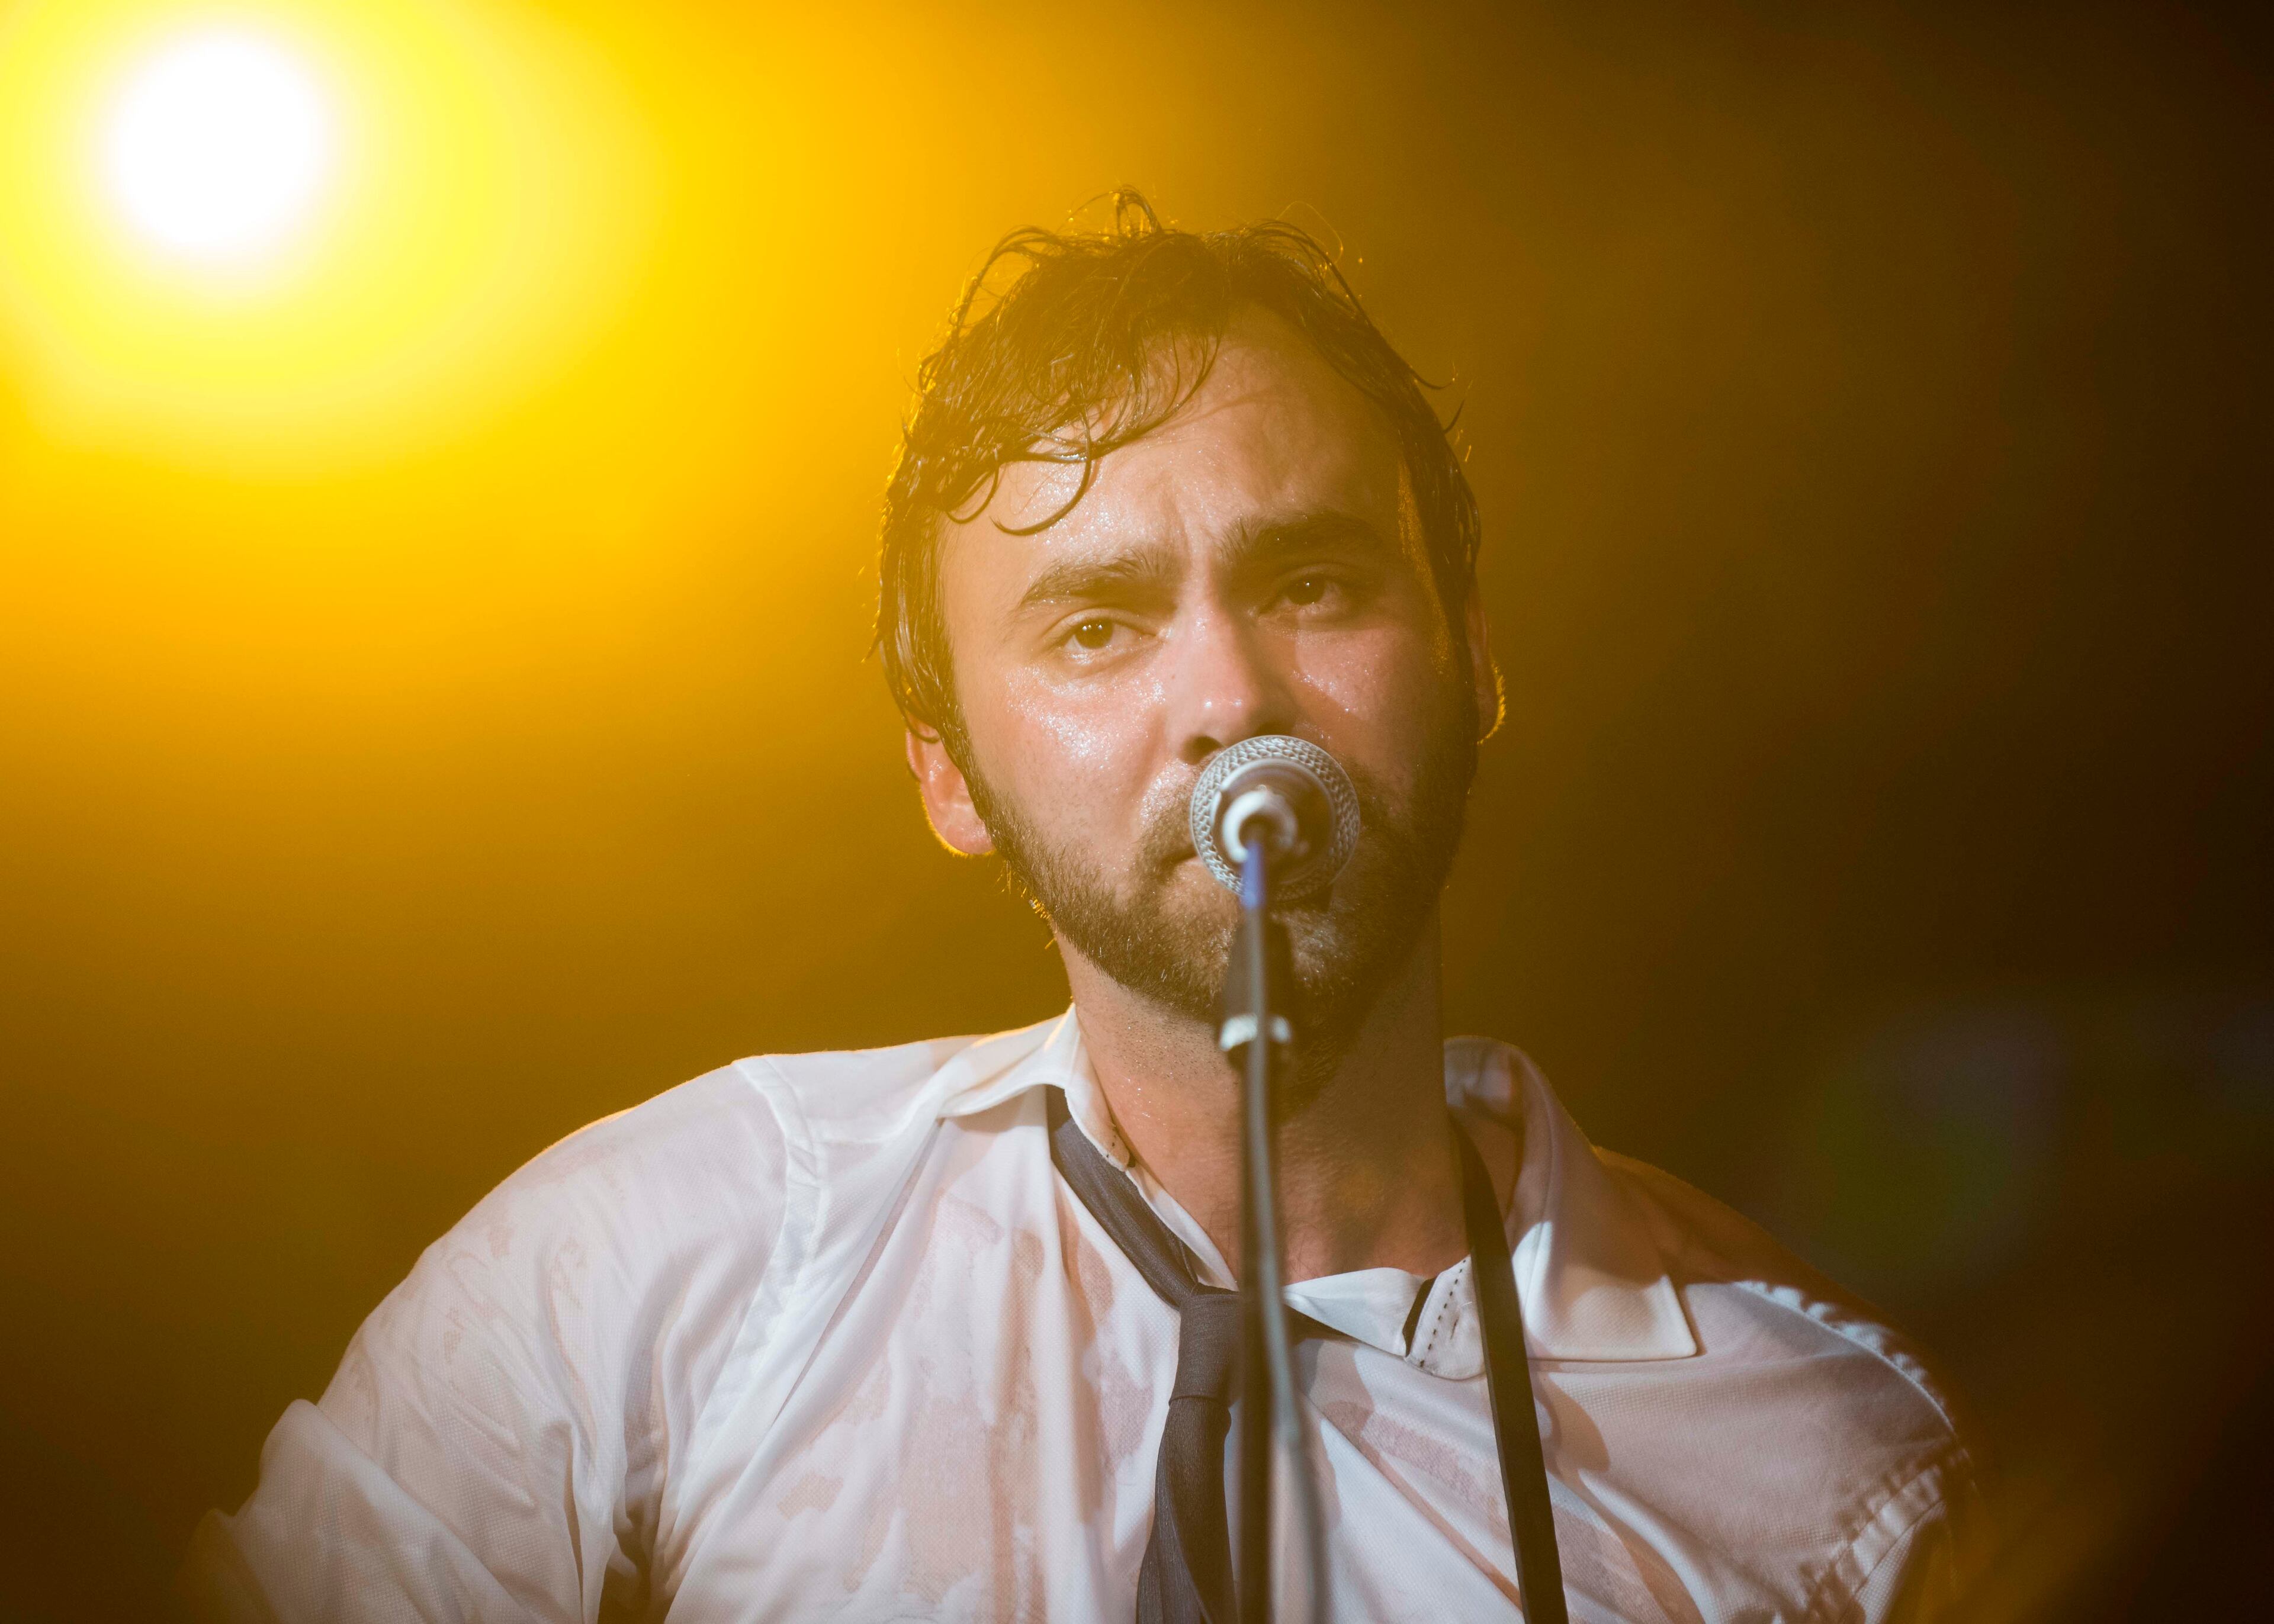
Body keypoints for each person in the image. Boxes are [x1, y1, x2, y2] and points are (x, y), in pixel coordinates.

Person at [184, 194, 1981, 1623]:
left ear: (1473, 665)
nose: (1231, 697)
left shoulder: (1830, 1458)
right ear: (951, 779)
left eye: (1313, 579)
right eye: (1098, 626)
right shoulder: (654, 1264)